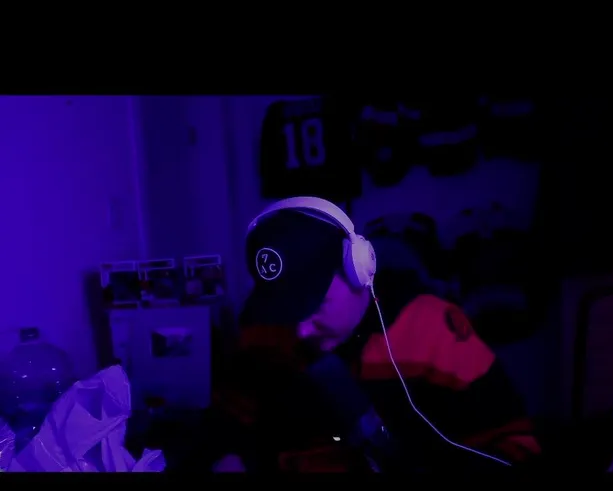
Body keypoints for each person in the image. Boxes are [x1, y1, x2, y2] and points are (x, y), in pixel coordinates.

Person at [203, 197, 540, 473]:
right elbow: (224, 430)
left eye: (314, 306)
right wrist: (229, 455)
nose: (301, 330)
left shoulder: (431, 328)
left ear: (357, 270)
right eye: (284, 309)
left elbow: (516, 447)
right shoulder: (264, 331)